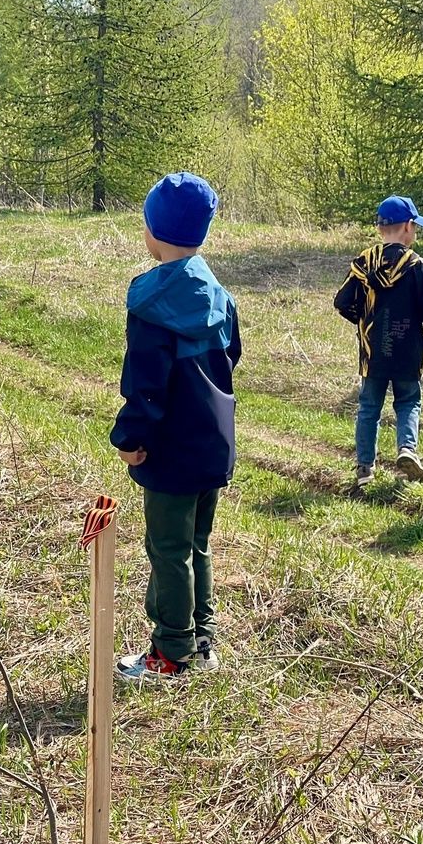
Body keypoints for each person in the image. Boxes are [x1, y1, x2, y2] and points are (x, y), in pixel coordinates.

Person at [111, 172, 241, 682]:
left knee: (168, 550)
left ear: (152, 231)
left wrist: (130, 438)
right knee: (197, 544)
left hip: (169, 447)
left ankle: (170, 653)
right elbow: (231, 358)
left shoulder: (150, 303)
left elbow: (145, 384)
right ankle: (202, 642)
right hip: (213, 441)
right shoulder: (219, 295)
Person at [334, 195, 423, 490]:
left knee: (369, 406)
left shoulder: (363, 263)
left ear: (380, 228)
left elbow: (342, 302)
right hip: (407, 349)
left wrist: (363, 319)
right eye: (415, 226)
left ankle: (364, 467)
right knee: (408, 401)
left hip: (373, 350)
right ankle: (407, 448)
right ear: (408, 226)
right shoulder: (418, 266)